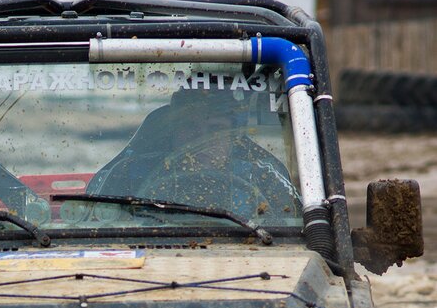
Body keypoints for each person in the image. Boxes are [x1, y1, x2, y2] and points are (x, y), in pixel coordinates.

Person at [89, 86, 301, 220]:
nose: (201, 140)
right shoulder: (129, 173)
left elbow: (295, 229)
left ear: (234, 138)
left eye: (215, 129)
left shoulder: (263, 177)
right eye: (190, 127)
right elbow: (95, 229)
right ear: (172, 131)